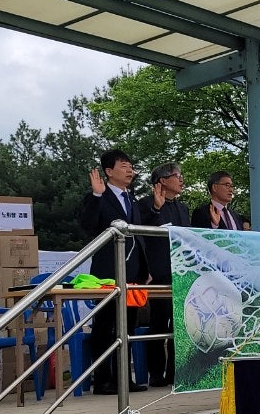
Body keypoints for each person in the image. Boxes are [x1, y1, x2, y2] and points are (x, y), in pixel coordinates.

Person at [79, 149, 147, 394]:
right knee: (104, 326)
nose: (130, 170)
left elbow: (139, 236)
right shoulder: (99, 196)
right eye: (123, 166)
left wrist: (145, 269)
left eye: (131, 166)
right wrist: (97, 195)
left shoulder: (132, 199)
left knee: (127, 327)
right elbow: (87, 225)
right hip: (107, 272)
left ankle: (123, 379)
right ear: (108, 171)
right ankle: (103, 380)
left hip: (132, 273)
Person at [136, 163, 189, 387]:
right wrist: (156, 209)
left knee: (180, 324)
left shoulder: (182, 208)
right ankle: (156, 373)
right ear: (163, 181)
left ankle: (176, 373)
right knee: (159, 321)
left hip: (181, 271)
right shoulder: (145, 204)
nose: (181, 180)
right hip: (158, 272)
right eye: (177, 176)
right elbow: (140, 234)